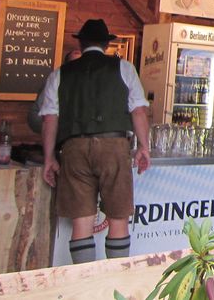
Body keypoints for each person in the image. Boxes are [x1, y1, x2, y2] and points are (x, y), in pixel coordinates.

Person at [38, 19, 151, 264]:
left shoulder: (60, 74)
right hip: (114, 146)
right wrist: (144, 146)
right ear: (106, 44)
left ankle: (85, 280)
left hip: (74, 147)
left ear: (81, 43)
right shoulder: (124, 68)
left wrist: (49, 158)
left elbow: (49, 119)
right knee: (118, 219)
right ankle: (116, 278)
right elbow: (139, 111)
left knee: (82, 222)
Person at [28, 49, 83, 134]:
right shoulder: (56, 79)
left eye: (80, 63)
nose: (77, 66)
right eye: (73, 63)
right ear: (66, 65)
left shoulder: (84, 81)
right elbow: (40, 115)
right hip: (45, 121)